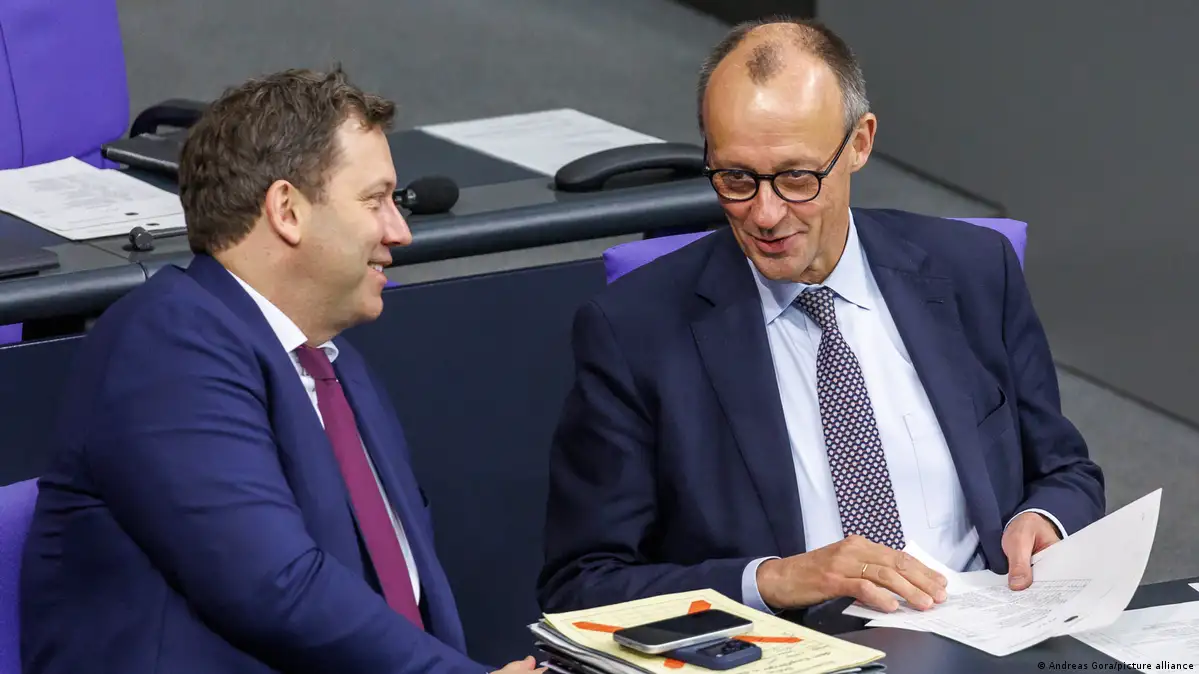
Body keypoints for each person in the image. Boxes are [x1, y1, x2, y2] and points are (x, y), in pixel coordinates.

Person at [537, 19, 1105, 630]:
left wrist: (1045, 520)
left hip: (985, 632)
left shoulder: (973, 270)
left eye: (796, 178)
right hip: (792, 652)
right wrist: (774, 580)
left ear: (860, 143)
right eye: (735, 178)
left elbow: (1064, 471)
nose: (765, 214)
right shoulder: (634, 331)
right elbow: (582, 585)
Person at [20, 68, 539, 674]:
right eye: (375, 201)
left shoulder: (333, 363)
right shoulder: (168, 345)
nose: (400, 232)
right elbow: (274, 585)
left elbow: (403, 590)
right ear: (287, 210)